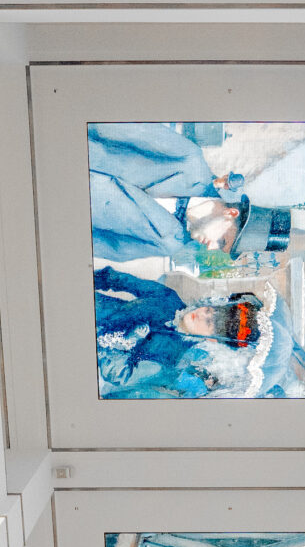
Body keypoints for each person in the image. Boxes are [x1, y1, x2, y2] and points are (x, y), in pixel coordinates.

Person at [88, 123, 291, 266]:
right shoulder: (190, 161)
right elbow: (114, 128)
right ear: (231, 213)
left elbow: (101, 245)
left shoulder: (168, 244)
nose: (211, 248)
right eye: (221, 241)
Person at [94, 267, 267, 399]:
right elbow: (120, 280)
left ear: (211, 340)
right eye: (208, 310)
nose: (200, 314)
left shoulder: (173, 358)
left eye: (207, 322)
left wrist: (128, 341)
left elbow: (121, 375)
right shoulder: (169, 298)